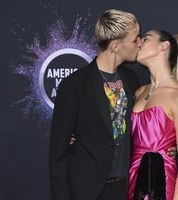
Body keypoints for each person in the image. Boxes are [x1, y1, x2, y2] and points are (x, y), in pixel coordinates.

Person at [49, 9, 141, 200]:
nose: (140, 43)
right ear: (115, 46)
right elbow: (58, 153)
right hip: (87, 189)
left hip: (124, 188)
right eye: (135, 40)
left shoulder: (131, 80)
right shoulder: (75, 84)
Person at [128, 29, 178, 200]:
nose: (139, 43)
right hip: (131, 178)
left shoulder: (175, 94)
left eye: (146, 38)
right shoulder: (138, 91)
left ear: (164, 46)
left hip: (162, 181)